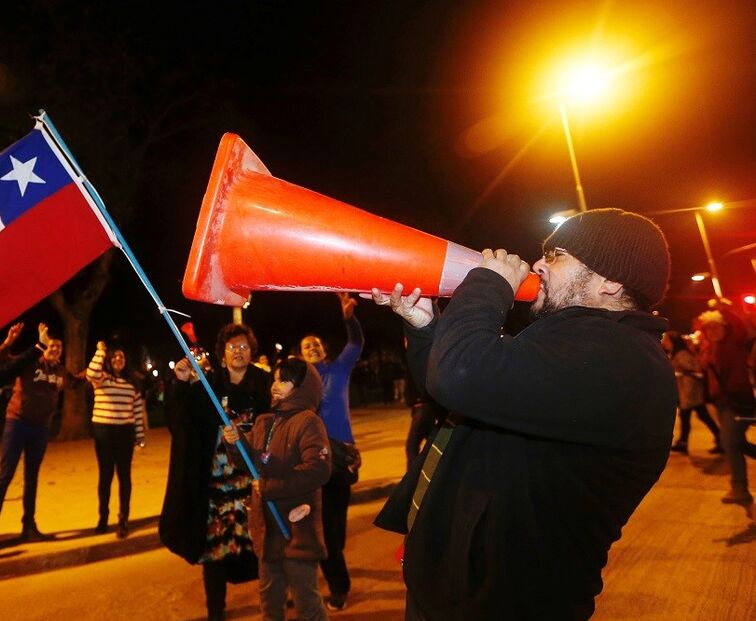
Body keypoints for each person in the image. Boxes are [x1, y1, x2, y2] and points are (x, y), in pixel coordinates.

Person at [372, 208, 677, 620]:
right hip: (458, 594)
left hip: (506, 605)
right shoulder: (576, 343)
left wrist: (489, 283)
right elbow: (460, 394)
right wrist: (425, 326)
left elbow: (460, 375)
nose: (537, 264)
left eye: (557, 255)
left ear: (610, 281)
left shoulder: (621, 359)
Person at [160, 323, 271, 621]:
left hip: (254, 483)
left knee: (263, 546)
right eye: (233, 347)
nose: (239, 351)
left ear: (252, 352)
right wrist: (181, 383)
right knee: (215, 553)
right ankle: (216, 610)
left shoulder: (265, 383)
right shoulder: (209, 386)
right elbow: (180, 422)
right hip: (217, 486)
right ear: (222, 354)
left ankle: (272, 600)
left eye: (244, 346)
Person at [223, 357, 332, 621]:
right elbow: (252, 461)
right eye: (275, 378)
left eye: (284, 380)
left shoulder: (308, 422)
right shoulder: (264, 421)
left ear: (302, 387)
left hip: (297, 529)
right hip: (268, 531)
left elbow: (318, 470)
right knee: (270, 603)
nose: (275, 385)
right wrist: (235, 443)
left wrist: (270, 487)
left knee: (307, 603)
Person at [0, 324, 72, 553]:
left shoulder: (60, 371)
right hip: (17, 423)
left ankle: (28, 527)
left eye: (59, 347)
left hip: (40, 429)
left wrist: (95, 369)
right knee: (5, 475)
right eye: (52, 346)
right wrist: (8, 341)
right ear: (44, 347)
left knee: (32, 477)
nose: (55, 350)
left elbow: (78, 381)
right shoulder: (29, 362)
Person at [299, 292, 363, 611]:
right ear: (301, 355)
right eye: (306, 346)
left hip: (341, 458)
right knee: (323, 530)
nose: (313, 347)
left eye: (316, 344)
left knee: (336, 527)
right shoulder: (297, 385)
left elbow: (356, 344)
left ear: (323, 350)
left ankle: (334, 565)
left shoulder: (338, 370)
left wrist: (348, 318)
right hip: (313, 462)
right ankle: (340, 586)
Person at [696, 309, 756, 514]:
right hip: (723, 402)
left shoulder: (733, 343)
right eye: (708, 327)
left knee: (730, 442)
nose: (711, 330)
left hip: (738, 400)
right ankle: (740, 490)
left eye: (716, 326)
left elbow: (740, 327)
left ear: (724, 327)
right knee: (731, 442)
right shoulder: (709, 348)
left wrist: (725, 309)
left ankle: (740, 489)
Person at [86, 340, 144, 538]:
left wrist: (140, 438)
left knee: (124, 476)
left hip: (125, 433)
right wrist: (100, 351)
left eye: (122, 357)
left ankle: (123, 519)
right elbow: (91, 372)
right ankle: (103, 518)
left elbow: (136, 412)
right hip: (103, 432)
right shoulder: (101, 379)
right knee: (105, 476)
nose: (119, 359)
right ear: (110, 360)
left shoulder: (132, 384)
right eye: (115, 356)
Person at [661, 330, 722, 454]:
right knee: (698, 415)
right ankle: (718, 438)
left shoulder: (682, 354)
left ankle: (685, 442)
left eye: (666, 340)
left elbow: (694, 370)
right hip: (686, 391)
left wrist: (677, 374)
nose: (664, 342)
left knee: (689, 416)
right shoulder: (675, 354)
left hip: (689, 391)